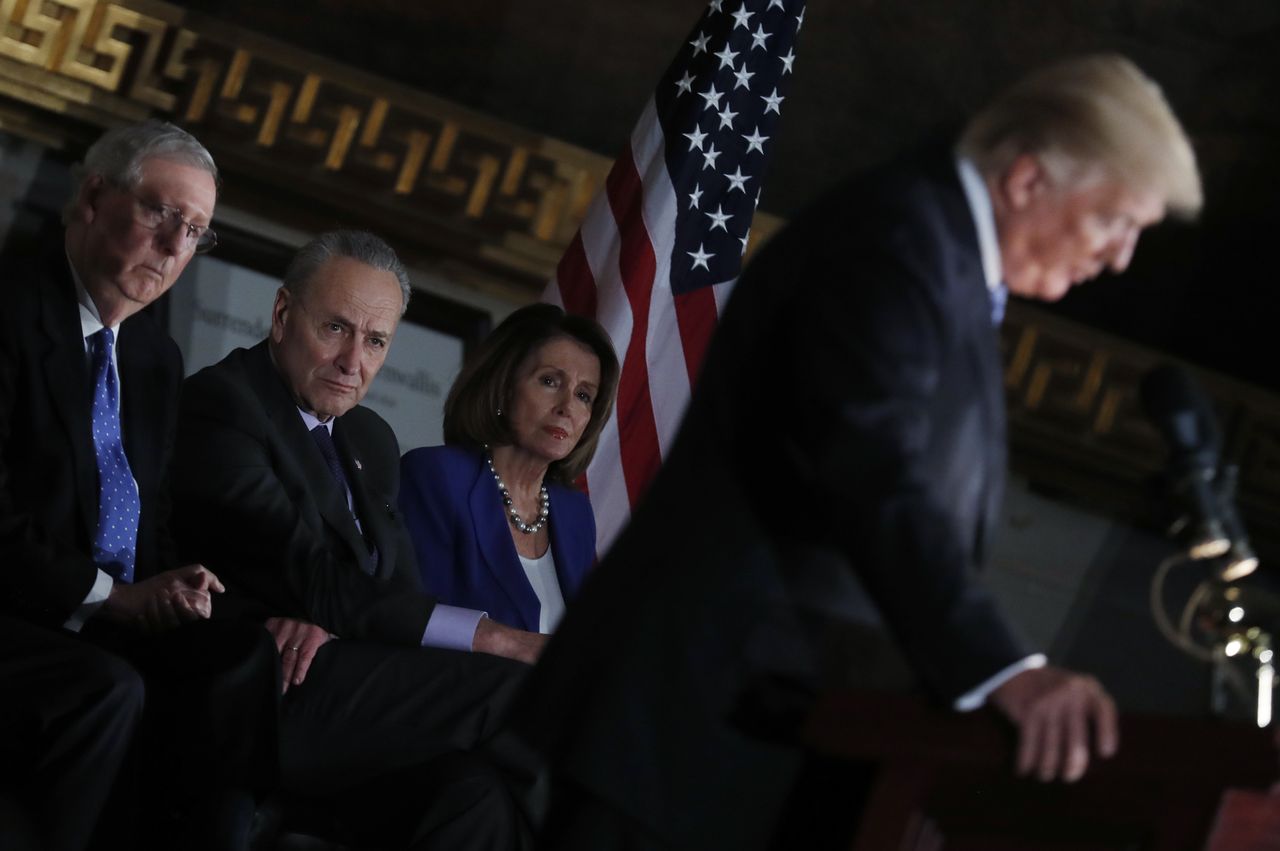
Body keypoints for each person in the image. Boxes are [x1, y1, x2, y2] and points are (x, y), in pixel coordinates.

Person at [516, 54, 1203, 850]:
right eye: (1116, 222)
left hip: (753, 734)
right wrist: (1003, 668)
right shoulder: (897, 240)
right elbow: (870, 465)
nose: (1120, 258)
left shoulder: (946, 260)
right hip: (688, 719)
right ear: (1026, 181)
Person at [171, 229, 546, 850]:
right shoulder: (223, 405)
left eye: (375, 341)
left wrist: (335, 622)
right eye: (335, 329)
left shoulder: (367, 435)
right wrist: (500, 638)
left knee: (474, 795)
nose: (354, 363)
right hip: (265, 691)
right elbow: (306, 573)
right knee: (521, 691)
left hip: (348, 681)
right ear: (284, 314)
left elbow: (396, 589)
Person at [0, 120, 279, 851]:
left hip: (100, 607)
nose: (175, 246)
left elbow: (142, 515)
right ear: (94, 196)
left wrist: (169, 580)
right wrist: (113, 596)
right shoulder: (10, 310)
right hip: (20, 603)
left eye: (196, 232)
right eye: (163, 213)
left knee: (239, 656)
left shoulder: (155, 354)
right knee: (106, 687)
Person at [399, 304, 619, 634]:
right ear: (503, 387)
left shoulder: (575, 514)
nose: (568, 407)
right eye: (549, 381)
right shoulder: (437, 477)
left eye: (584, 395)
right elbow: (410, 619)